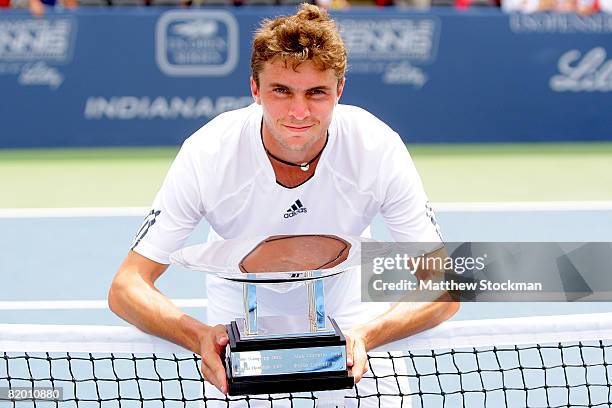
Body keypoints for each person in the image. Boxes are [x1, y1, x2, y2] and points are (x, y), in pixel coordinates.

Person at [108, 4, 459, 406]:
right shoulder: (208, 153)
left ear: (339, 90)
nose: (298, 111)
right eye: (281, 91)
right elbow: (127, 286)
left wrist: (367, 334)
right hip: (239, 324)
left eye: (316, 93)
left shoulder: (376, 148)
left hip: (348, 315)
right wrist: (199, 335)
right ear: (255, 89)